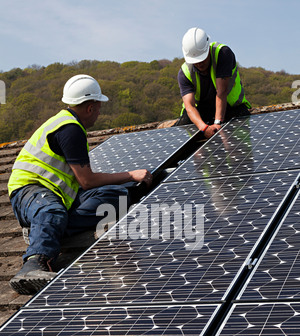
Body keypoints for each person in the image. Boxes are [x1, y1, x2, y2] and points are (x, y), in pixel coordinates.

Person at [8, 74, 152, 295]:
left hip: (60, 195)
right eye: (98, 106)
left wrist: (126, 185)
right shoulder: (69, 129)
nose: (100, 111)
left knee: (118, 197)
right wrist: (131, 175)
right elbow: (87, 181)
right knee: (51, 210)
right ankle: (34, 262)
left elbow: (84, 184)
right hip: (30, 191)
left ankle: (47, 229)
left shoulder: (74, 127)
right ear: (90, 107)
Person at [175, 27, 251, 138]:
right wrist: (203, 128)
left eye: (202, 59)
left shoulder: (223, 54)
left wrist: (217, 123)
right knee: (190, 146)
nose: (199, 64)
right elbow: (190, 106)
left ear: (208, 49)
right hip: (200, 113)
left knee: (235, 146)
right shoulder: (184, 73)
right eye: (195, 62)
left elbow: (221, 92)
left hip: (232, 109)